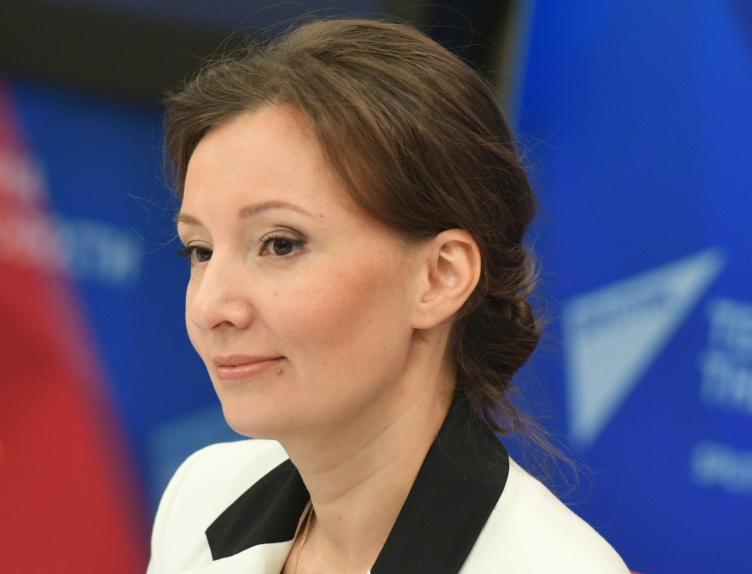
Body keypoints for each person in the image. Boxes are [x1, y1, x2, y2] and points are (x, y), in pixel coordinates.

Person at [149, 18, 630, 574]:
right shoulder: (201, 495)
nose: (210, 308)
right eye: (200, 251)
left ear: (440, 277)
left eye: (280, 244)